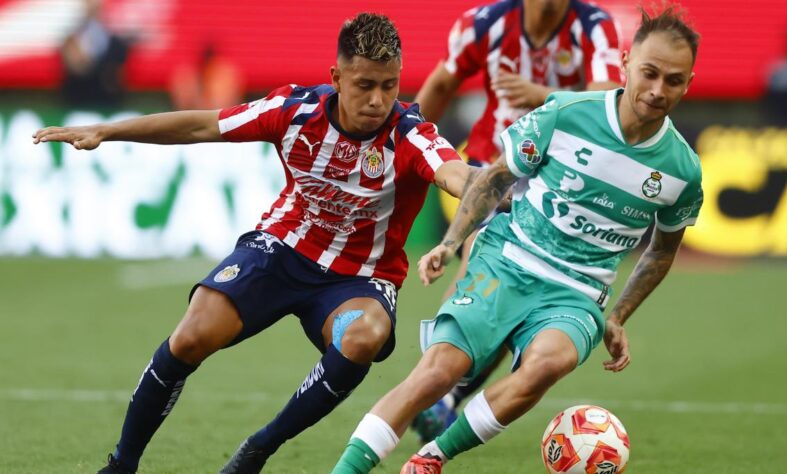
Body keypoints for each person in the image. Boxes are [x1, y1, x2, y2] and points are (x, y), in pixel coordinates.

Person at [34, 13, 476, 474]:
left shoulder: (411, 133)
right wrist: (107, 131)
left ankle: (259, 448)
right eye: (365, 85)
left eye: (389, 85)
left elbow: (455, 174)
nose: (378, 100)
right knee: (191, 335)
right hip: (282, 249)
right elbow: (201, 126)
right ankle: (121, 465)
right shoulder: (294, 110)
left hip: (360, 279)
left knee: (363, 336)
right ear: (336, 78)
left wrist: (492, 188)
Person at [332, 5, 703, 473]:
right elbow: (495, 178)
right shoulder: (566, 113)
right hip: (507, 258)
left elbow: (662, 251)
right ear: (626, 63)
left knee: (548, 363)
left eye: (673, 80)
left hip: (577, 292)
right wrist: (451, 243)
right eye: (649, 73)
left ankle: (431, 458)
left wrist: (618, 316)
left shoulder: (682, 170)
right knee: (438, 371)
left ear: (688, 83)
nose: (657, 90)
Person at [411, 0, 623, 440]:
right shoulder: (485, 24)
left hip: (556, 180)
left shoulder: (593, 26)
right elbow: (442, 82)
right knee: (478, 259)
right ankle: (436, 386)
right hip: (494, 166)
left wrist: (542, 96)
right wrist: (405, 143)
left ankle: (444, 395)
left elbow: (607, 101)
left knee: (515, 295)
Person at [60, 0, 130, 108]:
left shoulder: (115, 41)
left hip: (107, 101)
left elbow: (116, 72)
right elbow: (76, 66)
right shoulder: (72, 39)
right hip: (79, 100)